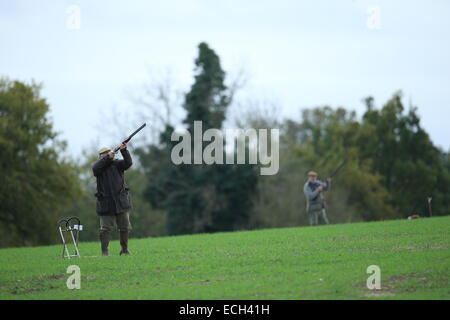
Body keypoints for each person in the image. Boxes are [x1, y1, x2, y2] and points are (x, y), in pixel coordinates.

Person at [92, 143, 133, 256]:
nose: (111, 155)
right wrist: (107, 158)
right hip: (106, 204)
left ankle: (124, 250)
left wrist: (124, 150)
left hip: (121, 202)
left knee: (124, 227)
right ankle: (104, 252)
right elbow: (95, 168)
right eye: (106, 154)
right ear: (101, 157)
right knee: (105, 229)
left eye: (110, 153)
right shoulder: (99, 168)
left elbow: (128, 163)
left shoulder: (117, 164)